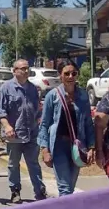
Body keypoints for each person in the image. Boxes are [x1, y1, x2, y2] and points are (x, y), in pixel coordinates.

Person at [37, 62, 96, 195]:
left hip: (77, 145)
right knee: (65, 188)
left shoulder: (83, 96)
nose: (70, 76)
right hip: (58, 146)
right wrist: (45, 149)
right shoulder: (52, 96)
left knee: (71, 185)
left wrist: (92, 147)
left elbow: (88, 122)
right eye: (66, 73)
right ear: (60, 76)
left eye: (73, 73)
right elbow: (44, 124)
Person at [0, 59, 45, 203]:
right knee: (13, 164)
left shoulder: (33, 88)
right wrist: (7, 126)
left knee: (33, 163)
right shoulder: (6, 88)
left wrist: (39, 120)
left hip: (32, 133)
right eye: (22, 68)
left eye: (27, 68)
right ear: (14, 70)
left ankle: (39, 191)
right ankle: (15, 190)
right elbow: (0, 111)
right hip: (14, 134)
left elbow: (37, 109)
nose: (25, 71)